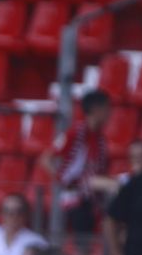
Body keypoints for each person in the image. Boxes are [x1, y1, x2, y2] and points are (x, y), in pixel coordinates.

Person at [44, 90, 112, 233]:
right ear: (95, 109)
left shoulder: (100, 138)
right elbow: (46, 159)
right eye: (107, 108)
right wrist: (63, 180)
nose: (110, 113)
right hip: (76, 197)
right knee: (82, 242)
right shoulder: (75, 132)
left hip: (93, 197)